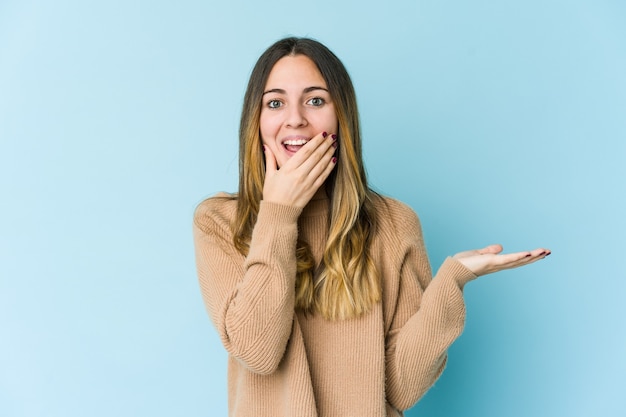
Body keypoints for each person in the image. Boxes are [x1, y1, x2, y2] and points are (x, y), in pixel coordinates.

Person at [192, 37, 550, 417]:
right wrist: (279, 213)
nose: (295, 118)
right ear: (256, 120)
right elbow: (256, 351)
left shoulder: (393, 224)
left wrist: (451, 283)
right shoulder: (220, 222)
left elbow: (400, 387)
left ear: (341, 115)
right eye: (275, 102)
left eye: (315, 100)